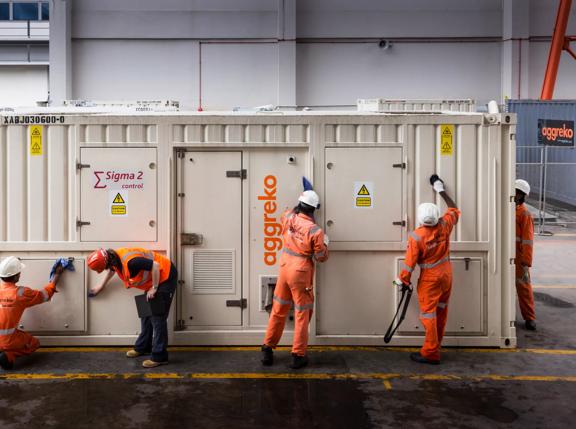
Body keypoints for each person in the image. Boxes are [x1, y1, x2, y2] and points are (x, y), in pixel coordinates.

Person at [395, 174, 460, 365]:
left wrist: (403, 280)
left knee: (428, 314)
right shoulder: (445, 225)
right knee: (440, 312)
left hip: (430, 280)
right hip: (446, 276)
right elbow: (454, 208)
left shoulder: (416, 236)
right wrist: (439, 189)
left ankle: (431, 352)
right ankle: (436, 345)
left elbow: (409, 263)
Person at [261, 190, 329, 369]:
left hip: (284, 267)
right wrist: (326, 244)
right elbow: (321, 256)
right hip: (300, 272)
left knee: (278, 308)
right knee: (302, 312)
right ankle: (298, 355)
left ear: (300, 204)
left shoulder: (288, 216)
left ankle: (267, 348)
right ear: (314, 210)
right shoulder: (316, 231)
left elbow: (289, 212)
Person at [87, 248, 177, 368]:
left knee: (157, 317)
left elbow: (155, 265)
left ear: (108, 262)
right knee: (145, 315)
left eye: (104, 267)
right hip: (153, 280)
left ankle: (160, 356)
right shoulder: (114, 259)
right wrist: (100, 286)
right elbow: (112, 270)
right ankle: (143, 347)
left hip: (166, 276)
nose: (105, 270)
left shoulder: (131, 262)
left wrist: (154, 288)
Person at [0, 257, 66, 370]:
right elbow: (45, 295)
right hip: (8, 340)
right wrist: (56, 275)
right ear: (17, 276)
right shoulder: (21, 293)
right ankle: (9, 355)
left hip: (6, 337)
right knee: (34, 343)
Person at [514, 179, 536, 331]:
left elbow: (528, 240)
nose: (515, 195)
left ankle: (529, 318)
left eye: (518, 193)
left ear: (522, 196)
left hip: (519, 258)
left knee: (524, 287)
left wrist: (526, 262)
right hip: (504, 255)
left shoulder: (524, 213)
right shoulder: (505, 210)